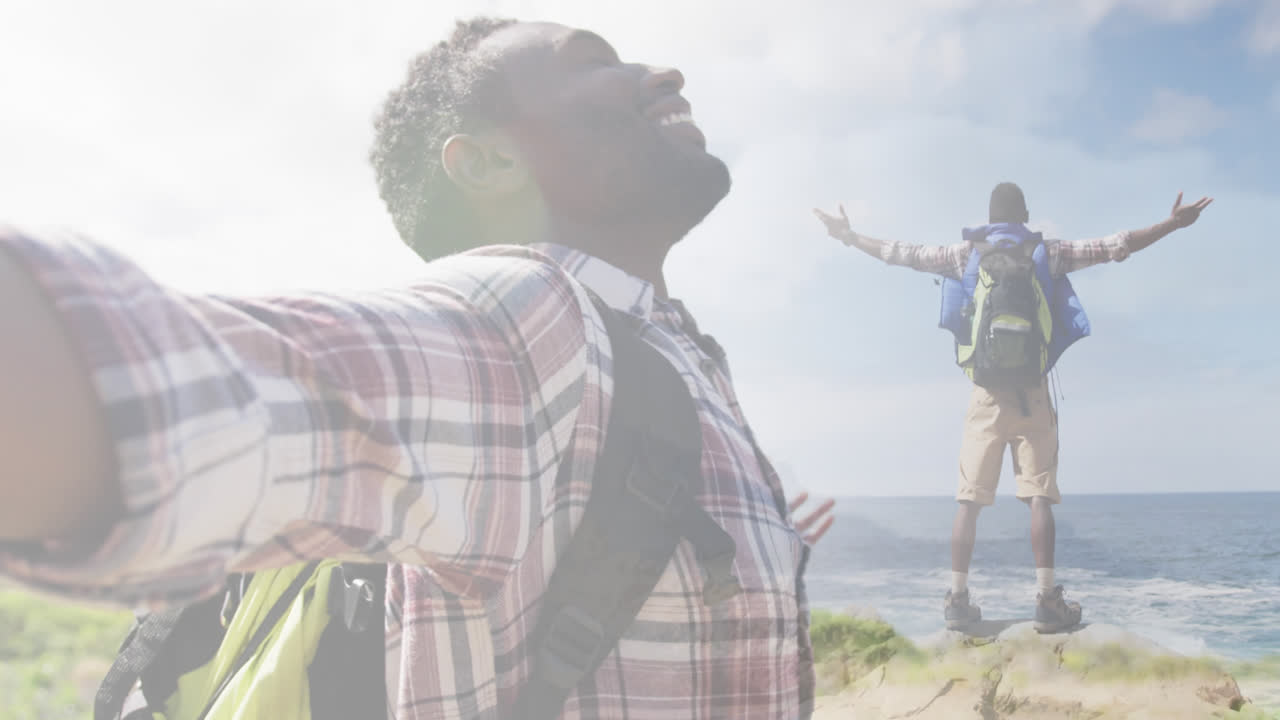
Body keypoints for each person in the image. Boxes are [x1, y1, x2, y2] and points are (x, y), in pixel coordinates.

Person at [0, 17, 834, 720]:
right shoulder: (529, 321)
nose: (663, 72)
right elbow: (154, 383)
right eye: (594, 61)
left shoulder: (662, 350)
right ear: (488, 163)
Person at [814, 183, 1211, 633]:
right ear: (1024, 216)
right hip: (1032, 393)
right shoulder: (1049, 253)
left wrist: (849, 236)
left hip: (985, 394)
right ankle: (1047, 600)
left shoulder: (964, 254)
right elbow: (1114, 246)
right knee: (1039, 495)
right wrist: (1171, 225)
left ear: (989, 218)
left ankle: (958, 599)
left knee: (969, 501)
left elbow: (901, 253)